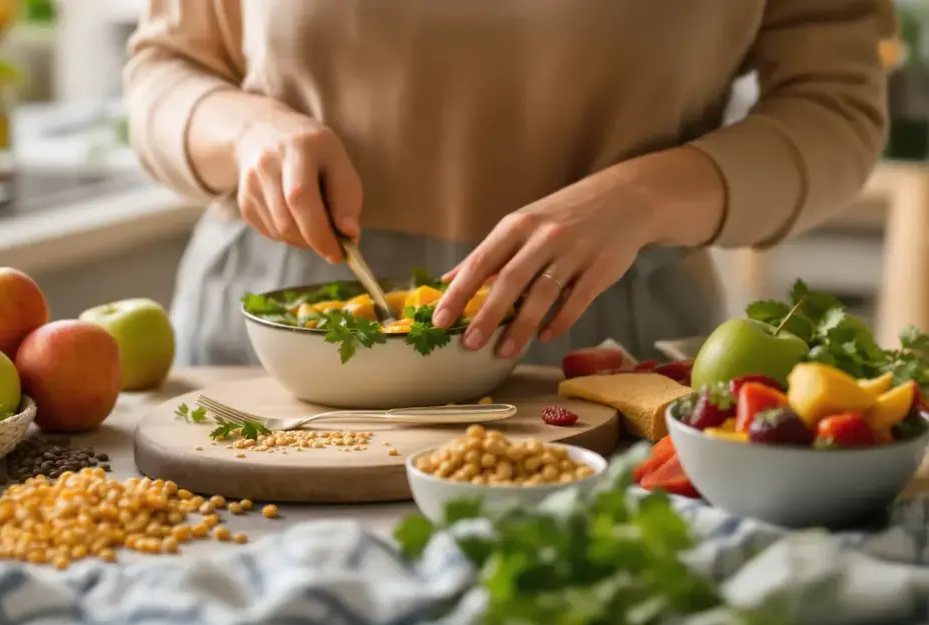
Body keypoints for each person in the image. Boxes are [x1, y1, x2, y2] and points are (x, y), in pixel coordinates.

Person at [126, 0, 894, 367]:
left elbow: (837, 109)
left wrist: (644, 197)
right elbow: (165, 65)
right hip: (271, 345)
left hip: (601, 350)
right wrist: (246, 131)